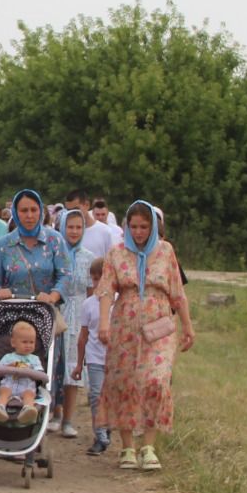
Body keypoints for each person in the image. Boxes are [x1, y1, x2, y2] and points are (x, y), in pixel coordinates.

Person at [96, 201, 195, 472]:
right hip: (125, 326)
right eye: (134, 227)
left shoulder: (165, 251)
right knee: (124, 381)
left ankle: (149, 445)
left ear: (153, 227)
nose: (139, 232)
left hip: (159, 324)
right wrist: (103, 323)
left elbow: (177, 291)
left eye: (144, 227)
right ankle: (128, 446)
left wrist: (188, 326)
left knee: (156, 380)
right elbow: (106, 290)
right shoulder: (116, 253)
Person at [54, 208, 93, 439]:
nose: (74, 231)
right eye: (70, 227)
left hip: (78, 313)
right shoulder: (55, 252)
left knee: (73, 366)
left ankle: (68, 419)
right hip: (58, 311)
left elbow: (90, 291)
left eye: (79, 227)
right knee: (54, 363)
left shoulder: (88, 257)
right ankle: (55, 413)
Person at [73, 257, 112, 455]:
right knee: (96, 395)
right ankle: (100, 435)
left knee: (112, 396)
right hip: (95, 357)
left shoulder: (118, 303)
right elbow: (83, 337)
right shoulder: (88, 304)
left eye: (101, 279)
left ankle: (107, 427)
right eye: (94, 279)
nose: (98, 284)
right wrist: (79, 364)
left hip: (114, 358)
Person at [0, 320, 45, 423]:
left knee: (29, 395)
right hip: (9, 385)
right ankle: (0, 408)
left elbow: (39, 374)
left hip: (26, 386)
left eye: (31, 342)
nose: (28, 345)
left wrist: (29, 371)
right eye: (25, 342)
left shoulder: (34, 359)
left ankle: (27, 410)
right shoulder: (8, 357)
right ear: (13, 343)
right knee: (3, 392)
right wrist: (8, 367)